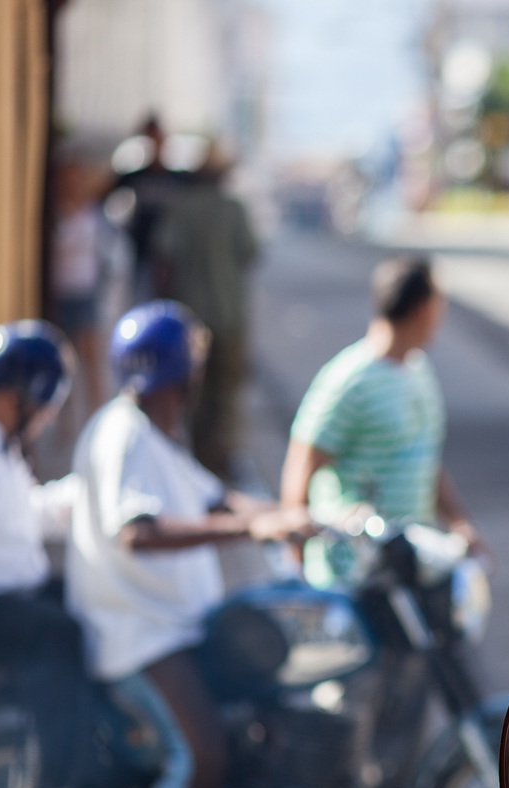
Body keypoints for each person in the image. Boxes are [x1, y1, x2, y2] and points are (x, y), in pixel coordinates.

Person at [66, 301, 312, 788]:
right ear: (179, 373)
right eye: (194, 364)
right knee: (195, 756)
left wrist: (291, 517)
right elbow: (136, 531)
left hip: (171, 628)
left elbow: (215, 500)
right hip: (137, 636)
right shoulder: (122, 436)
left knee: (242, 720)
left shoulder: (154, 435)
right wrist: (247, 529)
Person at [280, 256, 486, 588]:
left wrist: (460, 523)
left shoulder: (419, 370)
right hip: (353, 579)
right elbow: (300, 469)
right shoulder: (350, 380)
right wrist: (294, 564)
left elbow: (423, 459)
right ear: (423, 309)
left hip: (408, 571)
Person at [0, 321, 87, 788]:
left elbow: (24, 515)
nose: (48, 418)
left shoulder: (6, 448)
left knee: (84, 605)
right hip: (2, 603)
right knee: (63, 638)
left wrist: (84, 496)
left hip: (17, 590)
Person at [151, 141, 259, 478]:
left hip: (191, 319)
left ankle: (199, 460)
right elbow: (249, 254)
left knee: (193, 396)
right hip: (229, 317)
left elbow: (164, 260)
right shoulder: (234, 210)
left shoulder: (182, 209)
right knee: (225, 395)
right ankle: (221, 458)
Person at [49, 157, 115, 419]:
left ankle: (95, 415)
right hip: (63, 292)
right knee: (64, 362)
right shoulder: (55, 215)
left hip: (85, 291)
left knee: (91, 361)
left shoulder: (94, 213)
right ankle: (63, 423)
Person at [110, 114, 185, 303]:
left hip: (171, 260)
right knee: (143, 305)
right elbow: (103, 189)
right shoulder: (135, 176)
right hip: (143, 255)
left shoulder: (179, 178)